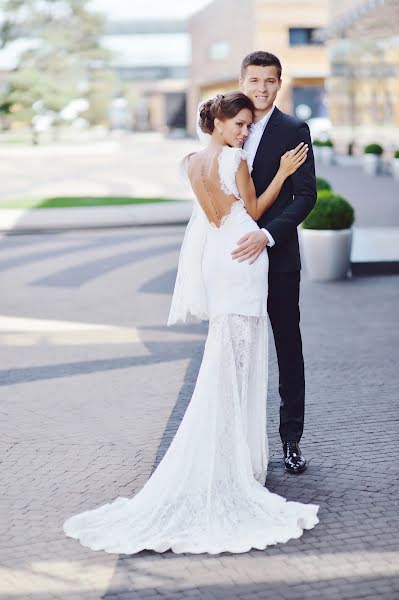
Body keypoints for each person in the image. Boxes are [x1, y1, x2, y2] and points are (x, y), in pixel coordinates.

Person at [63, 91, 319, 555]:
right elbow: (255, 210)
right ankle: (232, 464)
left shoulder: (190, 162)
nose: (244, 131)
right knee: (238, 362)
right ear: (219, 123)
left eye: (246, 125)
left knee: (226, 357)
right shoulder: (235, 159)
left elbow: (213, 217)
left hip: (219, 258)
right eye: (238, 124)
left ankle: (228, 455)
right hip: (244, 254)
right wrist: (281, 173)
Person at [232, 51, 317, 474]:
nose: (262, 88)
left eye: (270, 80)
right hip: (234, 260)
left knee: (288, 346)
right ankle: (235, 441)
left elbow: (306, 196)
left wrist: (268, 234)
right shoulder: (229, 122)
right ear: (242, 81)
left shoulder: (292, 129)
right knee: (236, 350)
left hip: (278, 256)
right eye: (254, 80)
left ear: (279, 83)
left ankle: (291, 441)